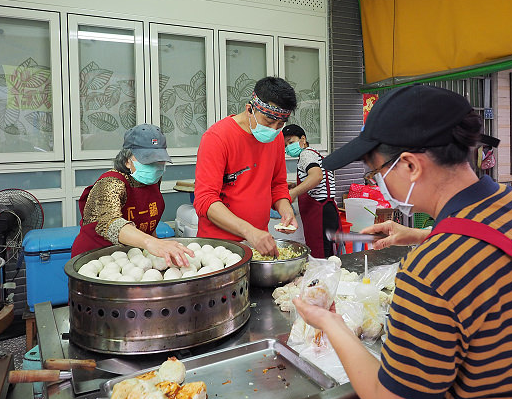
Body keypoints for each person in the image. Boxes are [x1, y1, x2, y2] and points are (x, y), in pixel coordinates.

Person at [293, 84, 512, 399]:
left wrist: (330, 322)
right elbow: (501, 249)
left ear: (411, 165)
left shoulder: (431, 270)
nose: (377, 183)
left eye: (376, 172)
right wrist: (418, 235)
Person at [194, 77, 298, 256]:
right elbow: (205, 200)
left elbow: (277, 184)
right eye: (268, 121)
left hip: (257, 243)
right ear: (250, 109)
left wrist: (286, 210)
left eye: (280, 124)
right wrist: (248, 231)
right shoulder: (217, 138)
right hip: (218, 247)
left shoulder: (277, 138)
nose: (273, 129)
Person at [71, 124, 192, 266]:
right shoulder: (110, 183)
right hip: (96, 259)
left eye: (159, 161)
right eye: (148, 160)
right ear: (127, 160)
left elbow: (147, 227)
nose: (155, 166)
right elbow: (111, 223)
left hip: (132, 259)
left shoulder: (152, 181)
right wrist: (151, 243)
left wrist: (159, 248)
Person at [283, 124, 340, 259]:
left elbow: (317, 176)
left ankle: (322, 279)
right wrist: (296, 184)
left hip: (320, 211)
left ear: (303, 139)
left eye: (291, 142)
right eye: (285, 145)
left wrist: (295, 192)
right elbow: (316, 180)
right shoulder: (314, 153)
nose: (288, 147)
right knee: (326, 252)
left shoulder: (306, 154)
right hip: (327, 209)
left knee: (320, 254)